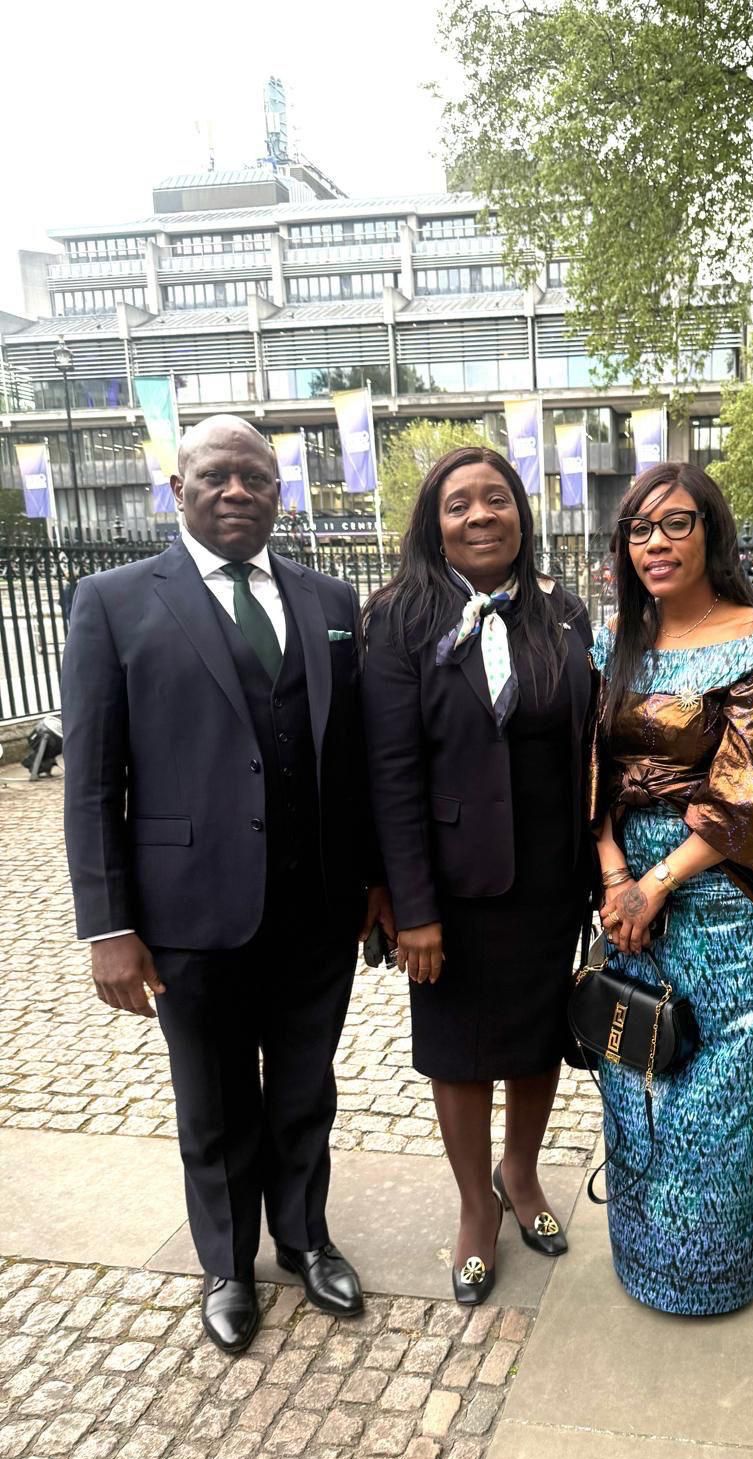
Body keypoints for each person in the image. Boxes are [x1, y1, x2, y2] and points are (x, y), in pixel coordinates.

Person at [62, 415, 391, 1355]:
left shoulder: (329, 599)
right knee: (211, 1097)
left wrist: (373, 880)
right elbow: (92, 780)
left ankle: (305, 1239)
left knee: (304, 1087)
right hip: (188, 909)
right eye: (215, 476)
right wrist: (107, 926)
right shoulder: (114, 602)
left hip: (315, 906)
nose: (237, 491)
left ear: (280, 492)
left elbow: (354, 758)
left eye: (256, 477)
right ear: (179, 489)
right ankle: (226, 1264)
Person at [362, 447, 595, 1305]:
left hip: (549, 877)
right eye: (458, 504)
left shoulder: (561, 614)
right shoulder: (398, 619)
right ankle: (474, 1207)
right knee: (458, 1052)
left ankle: (520, 1175)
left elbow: (586, 745)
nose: (480, 516)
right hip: (452, 888)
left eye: (496, 499)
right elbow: (389, 772)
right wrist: (412, 907)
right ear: (435, 525)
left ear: (522, 516)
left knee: (536, 1040)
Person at [592, 462, 753, 1315]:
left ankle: (712, 1273)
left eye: (675, 524)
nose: (656, 543)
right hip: (626, 902)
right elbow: (587, 769)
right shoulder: (614, 642)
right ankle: (644, 1260)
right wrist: (616, 875)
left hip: (724, 899)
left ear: (711, 532)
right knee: (634, 1079)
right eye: (639, 529)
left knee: (716, 1102)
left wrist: (657, 882)